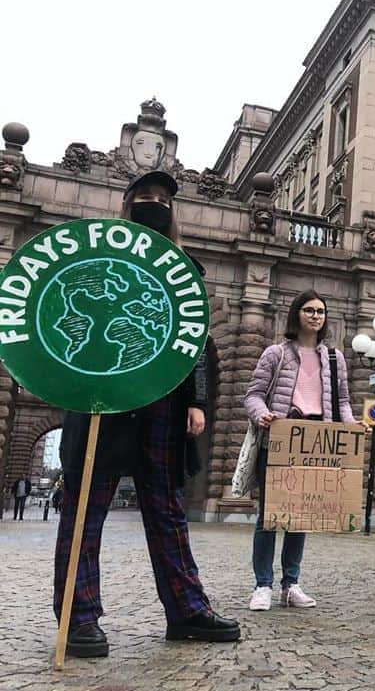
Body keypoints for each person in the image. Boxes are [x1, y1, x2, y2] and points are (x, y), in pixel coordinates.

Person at [54, 170, 239, 658]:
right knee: (85, 509)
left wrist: (197, 399)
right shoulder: (95, 256)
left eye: (162, 199)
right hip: (103, 394)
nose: (155, 205)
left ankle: (186, 610)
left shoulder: (185, 269)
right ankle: (78, 617)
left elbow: (195, 342)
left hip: (163, 400)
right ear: (127, 204)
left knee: (167, 509)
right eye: (145, 197)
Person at [244, 290, 365, 611]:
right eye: (309, 310)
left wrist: (352, 425)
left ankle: (290, 584)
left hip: (316, 444)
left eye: (321, 311)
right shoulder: (275, 354)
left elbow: (342, 403)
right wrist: (262, 414)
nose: (315, 316)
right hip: (280, 441)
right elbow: (253, 395)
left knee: (301, 517)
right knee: (268, 517)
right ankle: (263, 585)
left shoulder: (335, 359)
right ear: (297, 314)